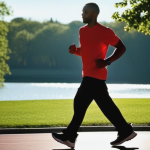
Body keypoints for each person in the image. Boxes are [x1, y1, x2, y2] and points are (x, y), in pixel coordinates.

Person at [52, 2, 137, 148]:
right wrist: (75, 51)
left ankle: (70, 136)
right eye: (82, 12)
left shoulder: (105, 31)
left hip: (96, 75)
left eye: (86, 12)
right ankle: (125, 130)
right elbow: (86, 51)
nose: (82, 14)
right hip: (88, 75)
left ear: (94, 14)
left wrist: (107, 61)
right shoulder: (82, 31)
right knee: (107, 107)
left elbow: (122, 48)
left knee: (79, 102)